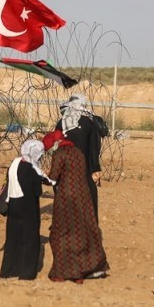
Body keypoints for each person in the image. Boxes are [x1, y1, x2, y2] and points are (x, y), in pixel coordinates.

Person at [44, 130, 109, 283]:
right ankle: (83, 271)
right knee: (81, 232)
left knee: (61, 234)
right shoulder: (78, 152)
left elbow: (53, 178)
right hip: (83, 197)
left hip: (66, 198)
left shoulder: (60, 154)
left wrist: (39, 176)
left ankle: (62, 273)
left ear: (56, 143)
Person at [0, 139, 54, 280]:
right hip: (28, 208)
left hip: (13, 205)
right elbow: (37, 191)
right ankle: (26, 273)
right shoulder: (32, 169)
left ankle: (7, 271)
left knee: (12, 238)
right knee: (30, 239)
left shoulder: (14, 163)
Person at [54, 93, 106, 221]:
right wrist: (95, 169)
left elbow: (56, 148)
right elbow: (94, 149)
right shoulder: (89, 122)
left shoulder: (61, 123)